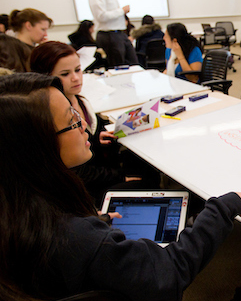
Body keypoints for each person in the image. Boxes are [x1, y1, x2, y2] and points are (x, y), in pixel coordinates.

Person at [0, 72, 241, 301]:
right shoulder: (77, 239)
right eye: (72, 119)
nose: (83, 125)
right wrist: (223, 208)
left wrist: (97, 224)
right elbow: (170, 272)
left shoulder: (17, 208)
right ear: (36, 146)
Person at [29, 41, 154, 207]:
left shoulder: (79, 100)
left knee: (145, 165)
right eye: (65, 74)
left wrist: (95, 138)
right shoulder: (51, 114)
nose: (75, 78)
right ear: (45, 77)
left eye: (78, 70)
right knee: (146, 185)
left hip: (99, 169)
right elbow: (77, 172)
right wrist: (120, 176)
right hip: (84, 186)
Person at [88, 0, 138, 67]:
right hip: (109, 35)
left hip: (119, 34)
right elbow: (101, 16)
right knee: (119, 68)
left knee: (134, 64)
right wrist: (122, 11)